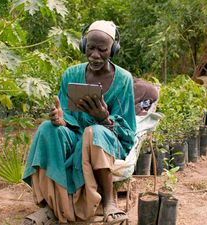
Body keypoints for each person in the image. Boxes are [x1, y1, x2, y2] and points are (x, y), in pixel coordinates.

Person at [22, 20, 136, 224]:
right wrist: (60, 119)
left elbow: (127, 131)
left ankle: (109, 203)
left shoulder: (124, 79)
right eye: (90, 48)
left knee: (94, 132)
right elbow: (66, 117)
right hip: (75, 135)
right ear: (84, 45)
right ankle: (49, 207)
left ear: (113, 49)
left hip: (108, 140)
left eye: (102, 50)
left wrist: (104, 118)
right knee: (47, 129)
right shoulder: (71, 74)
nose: (95, 55)